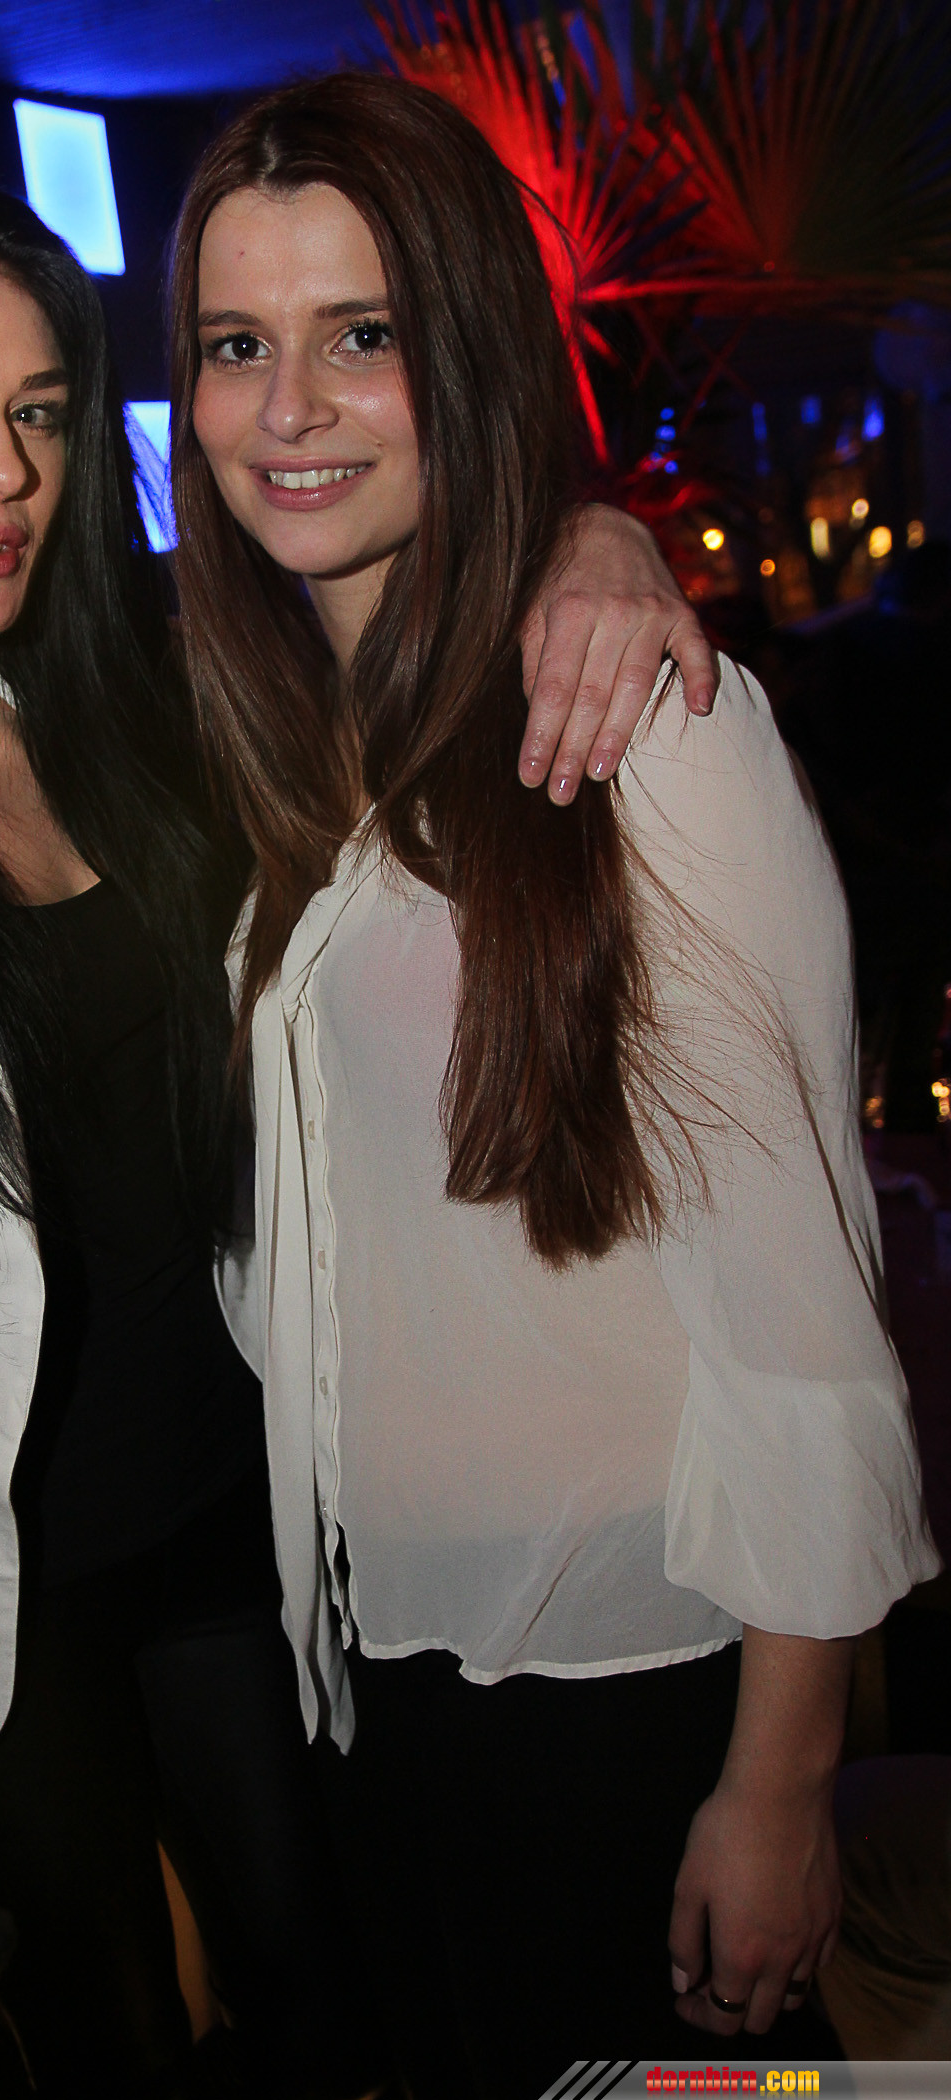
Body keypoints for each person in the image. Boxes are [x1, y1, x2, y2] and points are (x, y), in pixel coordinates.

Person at [0, 168, 716, 2097]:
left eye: (40, 410)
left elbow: (409, 601)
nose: (5, 471)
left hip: (244, 1505)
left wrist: (595, 539)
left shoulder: (130, 705)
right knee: (109, 2045)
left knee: (338, 1994)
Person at [164, 72, 940, 2096]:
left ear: (472, 351)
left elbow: (802, 1320)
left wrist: (780, 1781)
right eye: (236, 346)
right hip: (362, 1659)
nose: (288, 408)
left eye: (361, 334)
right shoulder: (265, 745)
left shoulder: (643, 733)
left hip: (619, 1683)